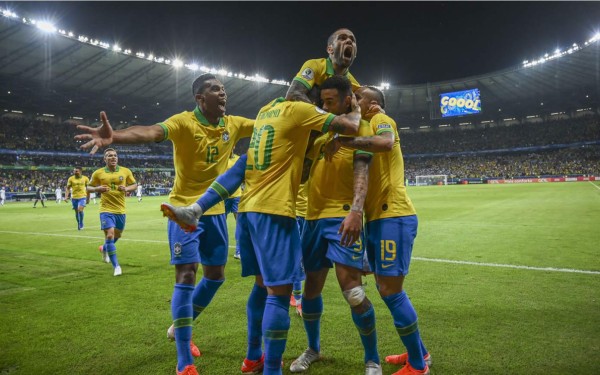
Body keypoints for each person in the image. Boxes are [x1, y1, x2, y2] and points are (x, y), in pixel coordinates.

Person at [162, 91, 362, 375]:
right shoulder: (299, 112)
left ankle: (253, 356)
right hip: (275, 212)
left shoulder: (267, 113)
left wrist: (200, 205)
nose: (321, 111)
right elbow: (351, 127)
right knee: (279, 295)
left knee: (260, 286)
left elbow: (241, 166)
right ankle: (270, 369)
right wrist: (354, 109)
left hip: (247, 212)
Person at [76, 73, 254, 375]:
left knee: (215, 276)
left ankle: (178, 328)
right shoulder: (184, 122)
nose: (223, 94)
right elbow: (149, 131)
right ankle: (184, 360)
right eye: (215, 90)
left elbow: (269, 124)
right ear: (200, 98)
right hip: (182, 210)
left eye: (224, 89)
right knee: (186, 276)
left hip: (214, 210)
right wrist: (114, 136)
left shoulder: (233, 124)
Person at [324, 86, 431, 375]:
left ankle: (418, 367)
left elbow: (384, 143)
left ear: (372, 104)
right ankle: (418, 353)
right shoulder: (365, 126)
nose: (353, 101)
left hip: (392, 215)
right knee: (387, 289)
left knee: (391, 291)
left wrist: (343, 143)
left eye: (359, 97)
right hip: (379, 218)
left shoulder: (382, 120)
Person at [289, 76, 380, 375]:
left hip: (342, 217)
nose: (324, 107)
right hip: (312, 220)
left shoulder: (362, 130)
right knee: (311, 291)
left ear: (347, 100)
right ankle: (313, 349)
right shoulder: (322, 134)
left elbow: (361, 172)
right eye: (322, 102)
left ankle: (372, 358)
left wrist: (355, 211)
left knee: (353, 292)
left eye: (330, 102)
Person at [87, 148, 137, 276]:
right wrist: (97, 188)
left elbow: (134, 185)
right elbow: (88, 187)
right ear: (105, 159)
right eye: (110, 156)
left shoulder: (125, 171)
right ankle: (117, 267)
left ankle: (104, 248)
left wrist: (126, 188)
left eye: (115, 155)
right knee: (109, 235)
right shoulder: (98, 173)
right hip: (106, 209)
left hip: (120, 210)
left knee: (117, 236)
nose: (113, 157)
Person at [286, 28, 359, 104]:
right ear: (330, 49)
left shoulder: (354, 85)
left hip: (327, 114)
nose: (349, 41)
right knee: (315, 92)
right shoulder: (315, 65)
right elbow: (293, 94)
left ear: (355, 54)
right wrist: (326, 116)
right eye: (342, 38)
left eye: (353, 40)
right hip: (300, 114)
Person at [225, 152, 243, 260]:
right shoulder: (222, 158)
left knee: (239, 224)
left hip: (237, 196)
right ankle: (221, 250)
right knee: (221, 224)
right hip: (224, 196)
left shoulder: (238, 159)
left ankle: (239, 251)